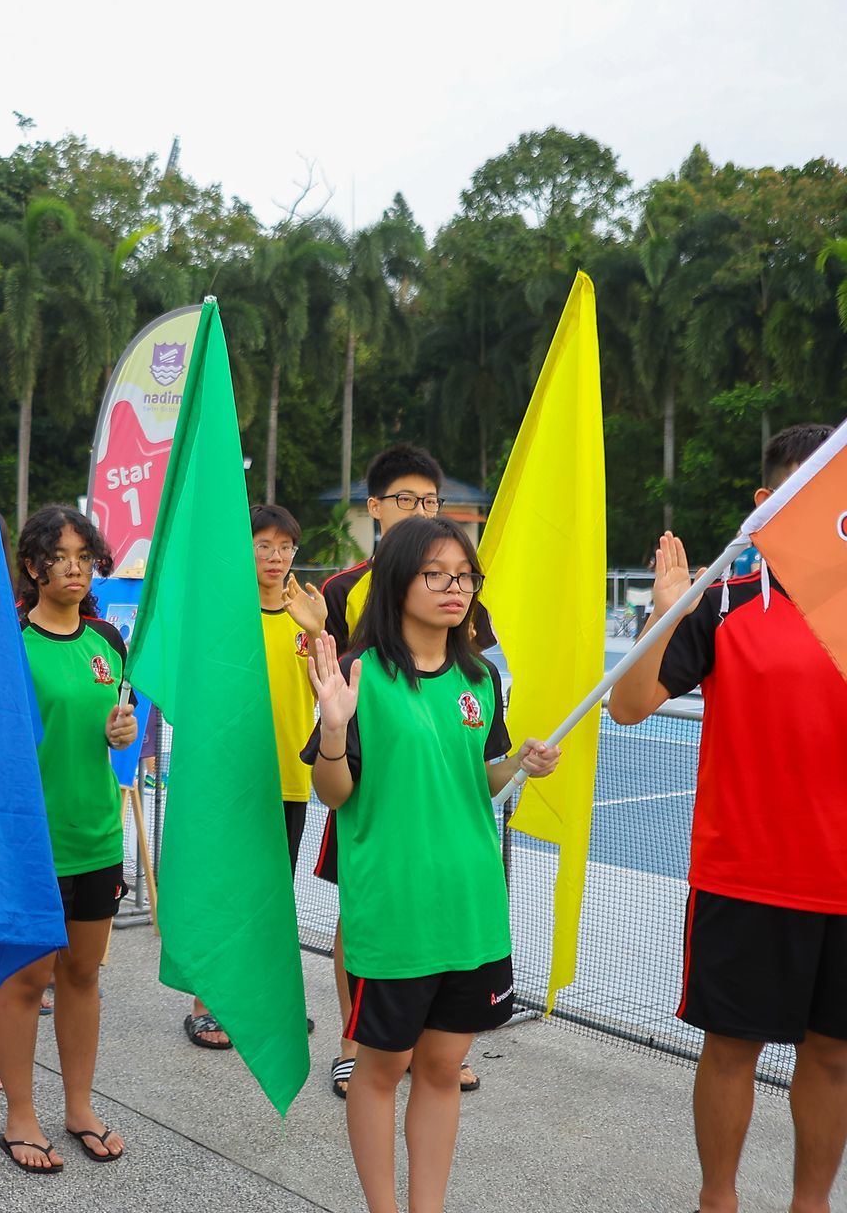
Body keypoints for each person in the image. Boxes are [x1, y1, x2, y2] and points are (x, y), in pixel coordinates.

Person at [607, 423, 847, 1213]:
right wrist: (667, 611)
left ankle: (810, 1205)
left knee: (836, 1059)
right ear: (766, 504)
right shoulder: (727, 597)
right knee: (732, 1049)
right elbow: (630, 705)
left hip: (842, 882)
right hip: (748, 872)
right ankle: (719, 1200)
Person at [304, 516, 556, 1213]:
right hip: (393, 913)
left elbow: (484, 779)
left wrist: (520, 766)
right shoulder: (359, 676)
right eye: (436, 574)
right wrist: (331, 730)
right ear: (399, 581)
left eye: (465, 576)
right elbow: (335, 793)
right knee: (379, 1071)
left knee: (443, 1069)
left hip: (472, 910)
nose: (455, 589)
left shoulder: (480, 678)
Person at [316, 444, 495, 1097]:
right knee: (359, 906)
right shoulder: (344, 589)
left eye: (429, 501)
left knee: (439, 907)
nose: (420, 510)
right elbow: (337, 679)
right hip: (370, 782)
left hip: (439, 789)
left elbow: (472, 671)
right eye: (406, 501)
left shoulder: (460, 590)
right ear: (376, 508)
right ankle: (354, 1039)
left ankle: (439, 1044)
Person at [0, 505, 139, 1173]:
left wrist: (124, 736)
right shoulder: (9, 645)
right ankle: (19, 1115)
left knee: (82, 974)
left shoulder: (107, 641)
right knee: (26, 980)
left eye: (85, 555)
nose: (76, 568)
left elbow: (117, 726)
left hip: (98, 837)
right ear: (32, 566)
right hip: (30, 845)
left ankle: (78, 1105)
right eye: (61, 556)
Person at [182, 504, 328, 1051]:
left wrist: (317, 634)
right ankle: (206, 1004)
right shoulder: (226, 614)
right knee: (225, 891)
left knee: (273, 897)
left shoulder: (305, 616)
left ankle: (263, 1001)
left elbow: (328, 693)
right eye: (262, 545)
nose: (275, 556)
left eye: (285, 546)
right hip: (233, 780)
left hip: (289, 779)